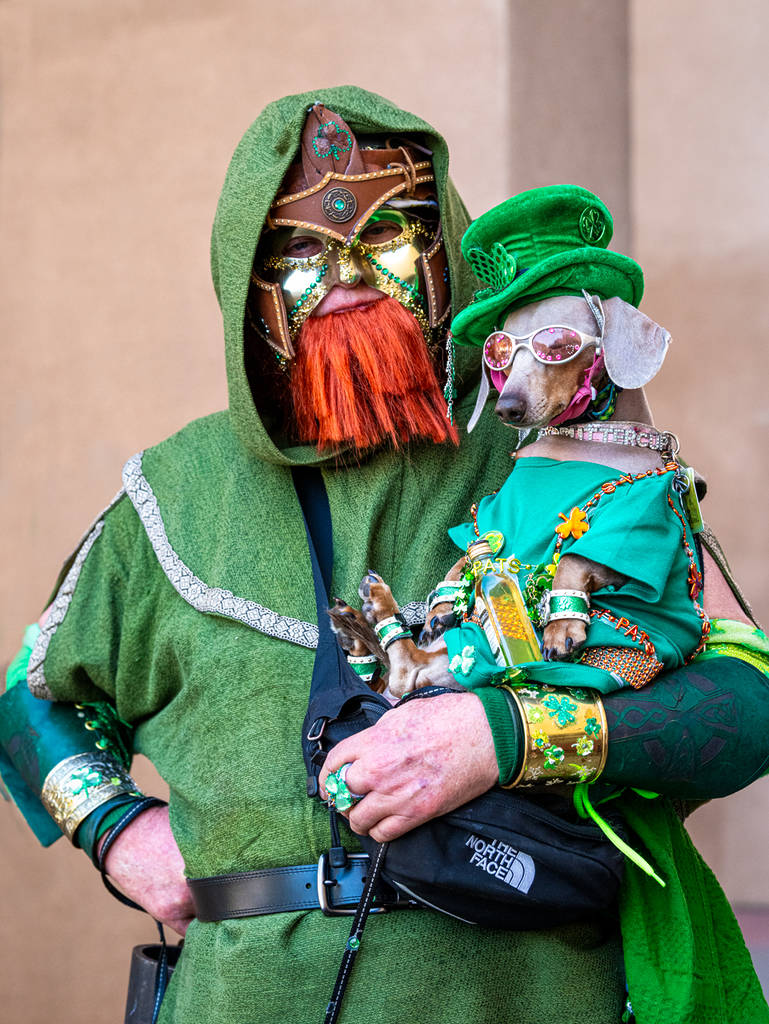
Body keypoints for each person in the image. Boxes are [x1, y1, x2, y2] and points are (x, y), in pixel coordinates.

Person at [2, 86, 769, 1024]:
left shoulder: (572, 447)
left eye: (390, 232)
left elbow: (743, 702)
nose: (348, 276)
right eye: (300, 252)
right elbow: (33, 695)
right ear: (244, 282)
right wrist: (119, 830)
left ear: (447, 252)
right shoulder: (172, 492)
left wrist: (504, 737)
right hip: (248, 997)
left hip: (528, 993)